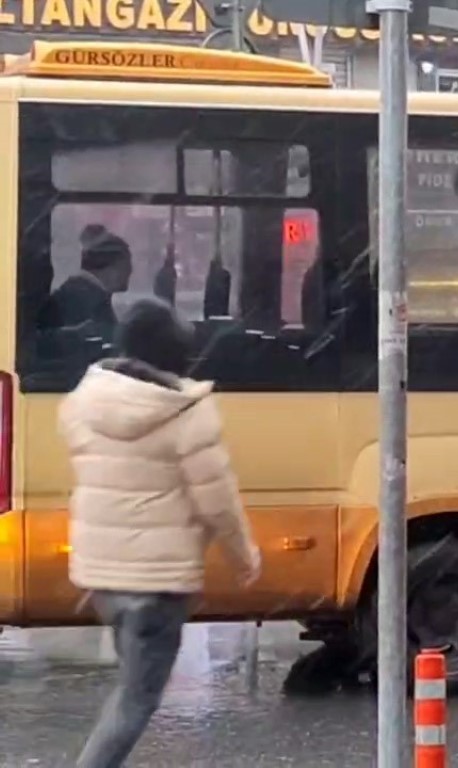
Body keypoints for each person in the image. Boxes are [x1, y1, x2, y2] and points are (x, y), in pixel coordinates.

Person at [60, 298, 260, 768]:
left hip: (103, 577)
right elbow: (218, 501)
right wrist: (244, 555)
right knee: (135, 700)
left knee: (131, 687)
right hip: (157, 584)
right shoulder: (185, 413)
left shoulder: (84, 403)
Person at [38, 224, 133, 332]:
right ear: (111, 270)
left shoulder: (74, 294)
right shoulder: (90, 304)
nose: (130, 271)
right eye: (126, 266)